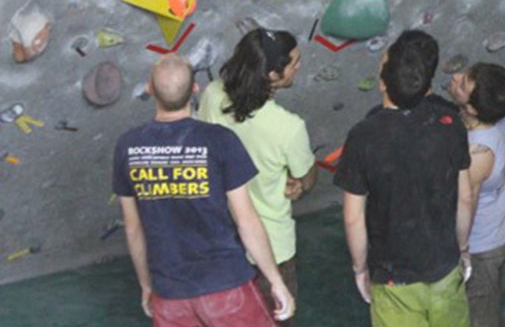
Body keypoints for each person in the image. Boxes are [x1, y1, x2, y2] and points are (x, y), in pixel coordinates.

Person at [113, 54, 294, 326]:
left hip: (170, 291)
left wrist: (147, 285)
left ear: (149, 89)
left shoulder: (127, 146)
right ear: (195, 89)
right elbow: (247, 220)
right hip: (226, 284)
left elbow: (133, 228)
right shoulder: (220, 141)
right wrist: (275, 280)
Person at [335, 31, 473, 326]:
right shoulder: (450, 125)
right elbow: (465, 197)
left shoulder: (363, 136)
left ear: (383, 83)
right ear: (424, 86)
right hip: (445, 267)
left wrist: (360, 269)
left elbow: (353, 218)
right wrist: (461, 249)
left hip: (394, 276)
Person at [196, 28, 316, 325]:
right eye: (294, 63)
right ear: (273, 76)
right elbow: (308, 178)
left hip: (221, 240)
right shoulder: (288, 127)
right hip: (272, 246)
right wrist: (299, 184)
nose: (298, 66)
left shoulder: (212, 95)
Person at [448, 62, 505, 327]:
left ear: (472, 109)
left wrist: (462, 248)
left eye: (463, 84)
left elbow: (467, 201)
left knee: (479, 317)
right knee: (492, 306)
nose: (455, 78)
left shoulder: (478, 150)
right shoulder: (504, 114)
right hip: (502, 229)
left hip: (481, 246)